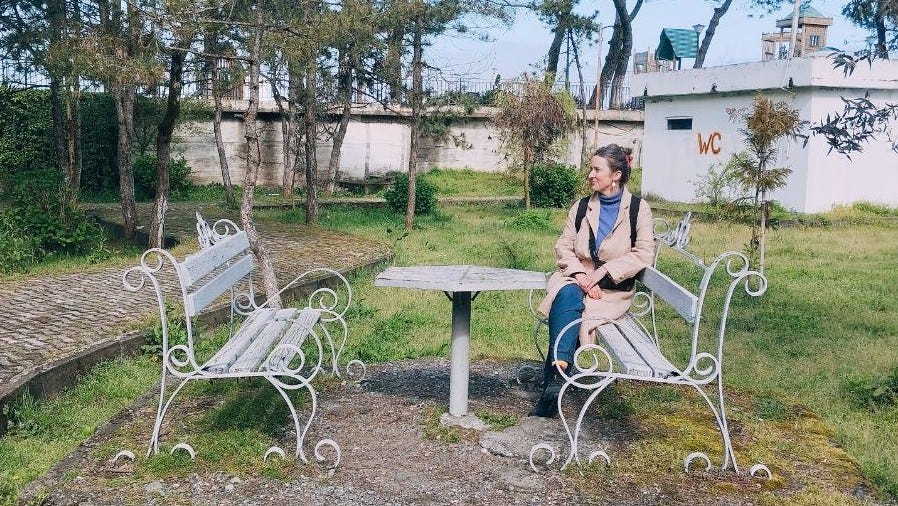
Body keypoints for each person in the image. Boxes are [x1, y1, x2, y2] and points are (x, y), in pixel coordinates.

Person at [530, 144, 655, 418]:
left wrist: (603, 272)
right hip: (577, 279)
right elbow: (563, 246)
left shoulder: (638, 209)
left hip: (610, 293)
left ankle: (553, 381)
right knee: (567, 295)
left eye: (597, 169)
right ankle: (559, 373)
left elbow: (644, 254)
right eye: (590, 168)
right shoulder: (581, 207)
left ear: (616, 175)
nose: (590, 175)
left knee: (568, 308)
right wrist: (580, 274)